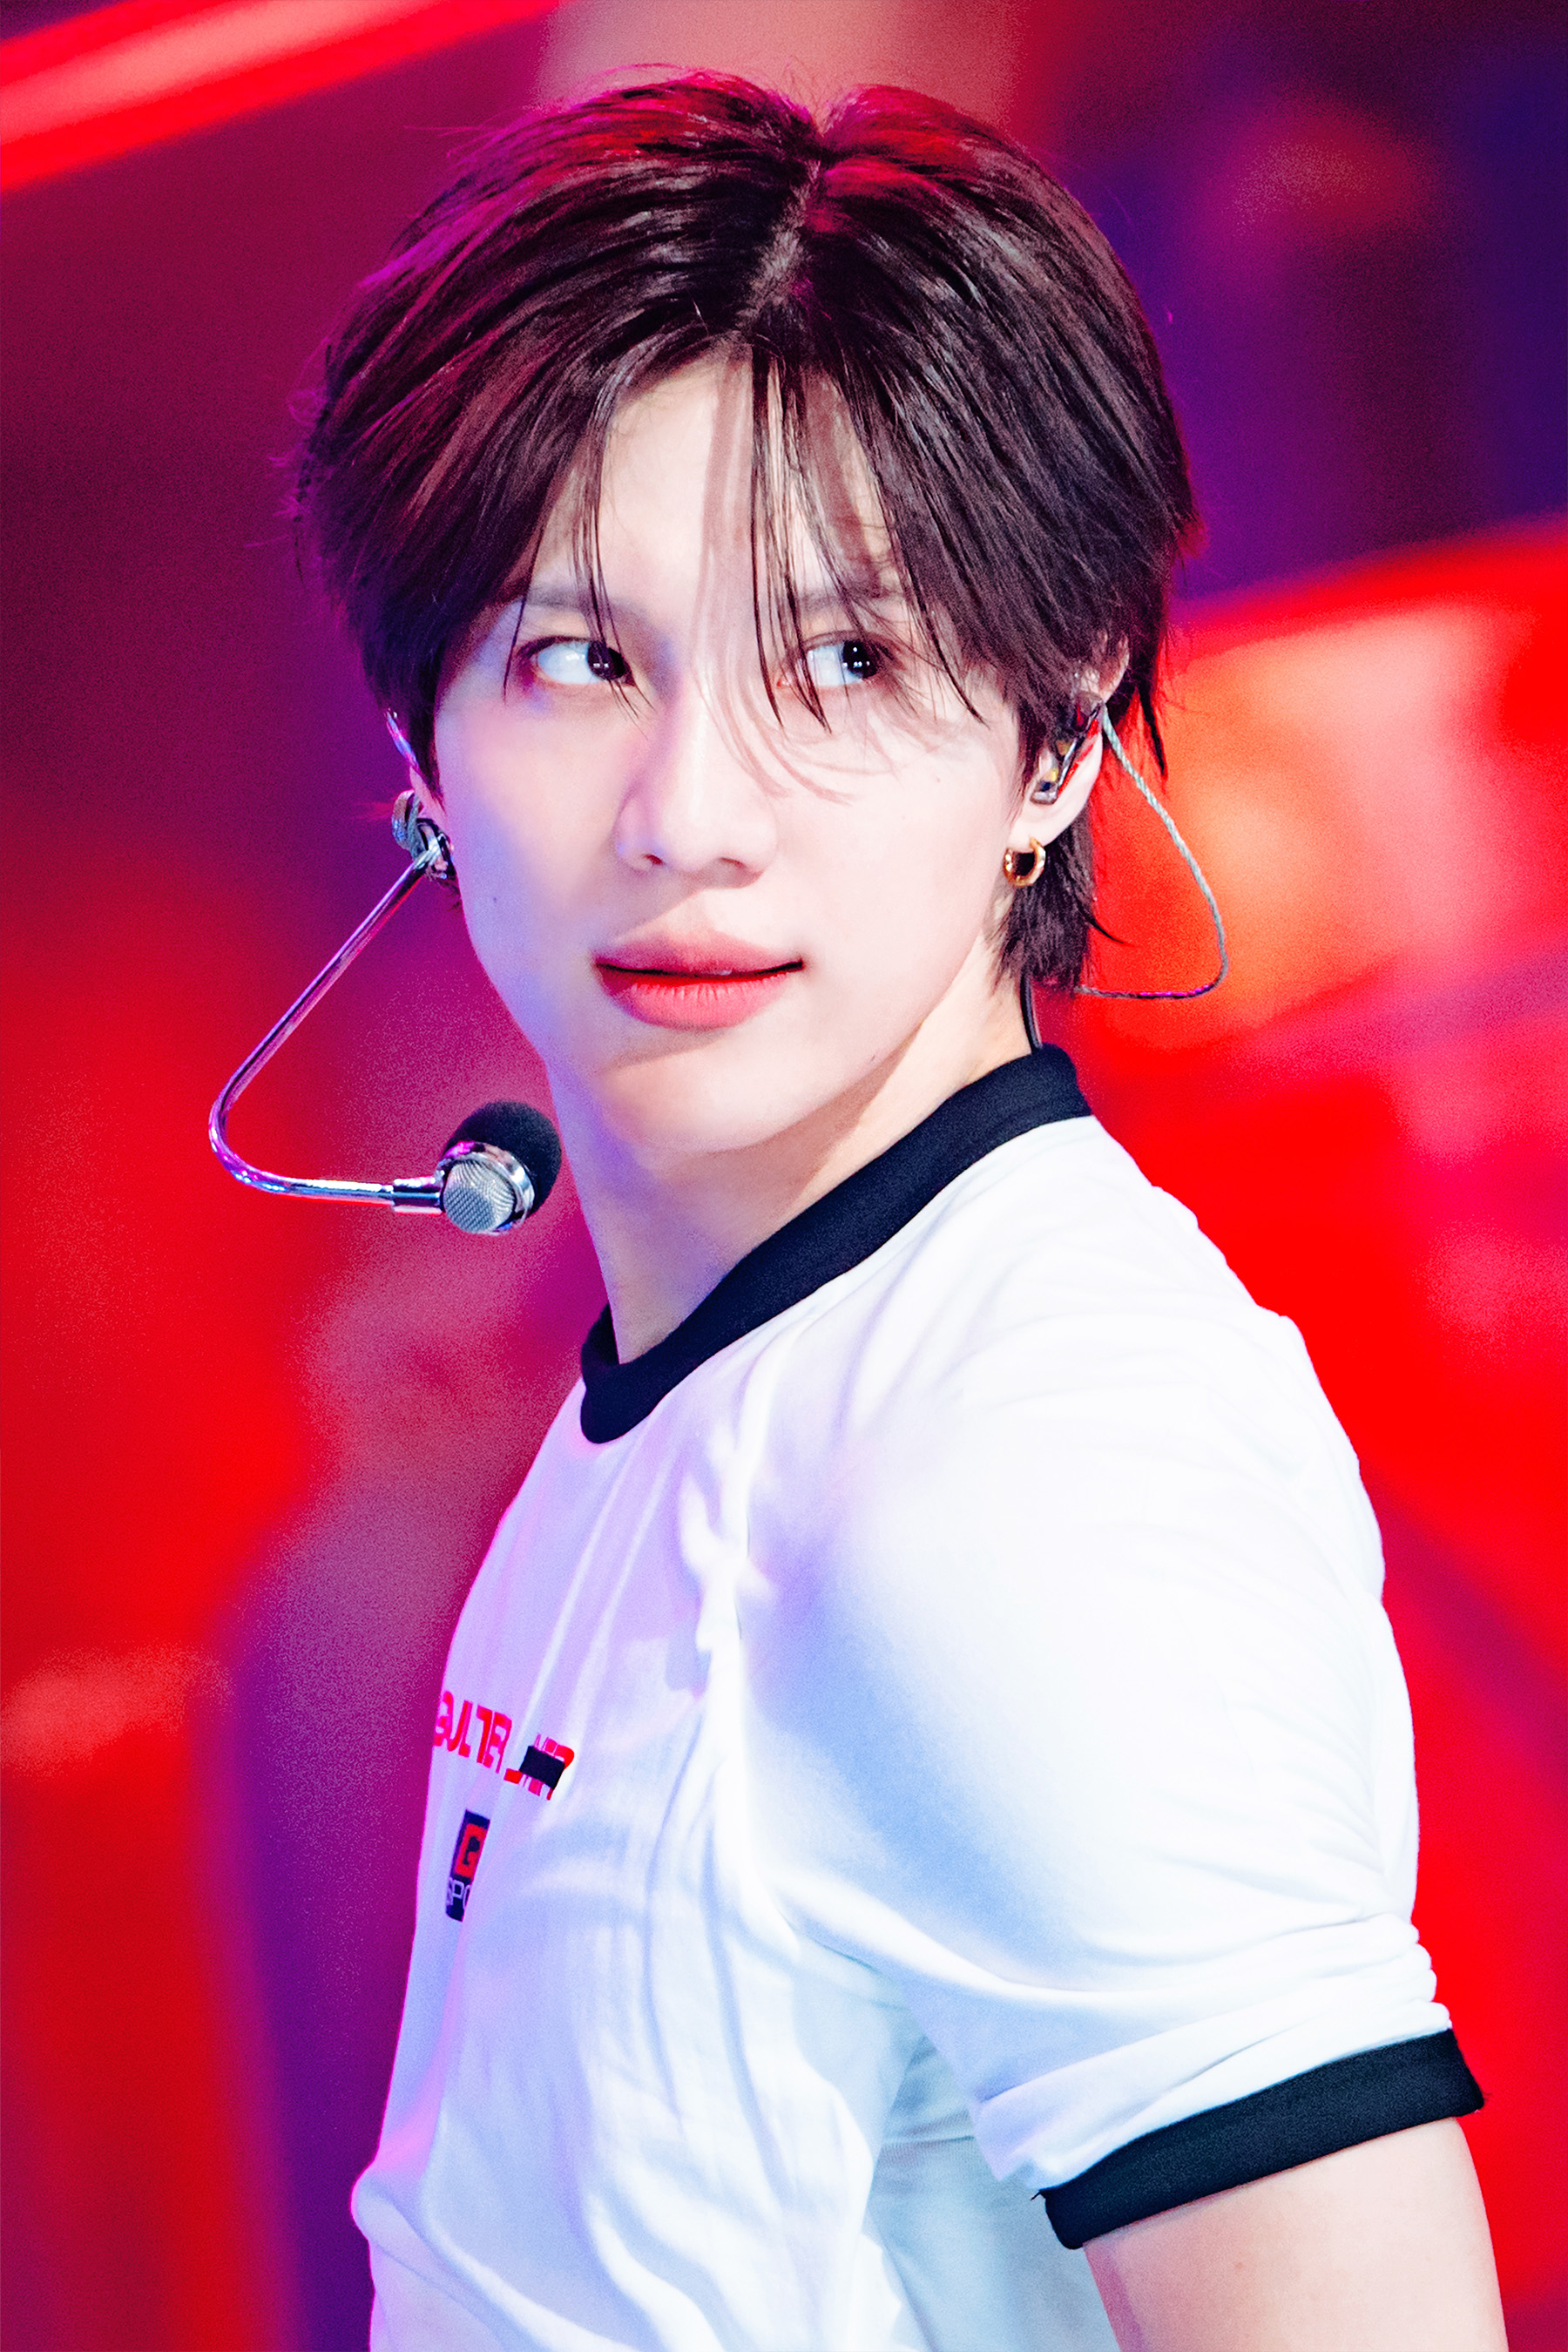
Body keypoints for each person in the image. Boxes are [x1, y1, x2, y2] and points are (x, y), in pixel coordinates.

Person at [294, 74, 1505, 2351]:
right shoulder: (715, 1373)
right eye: (578, 658)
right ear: (418, 740)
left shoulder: (1024, 1466)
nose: (693, 813)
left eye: (844, 659)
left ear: (1056, 737)